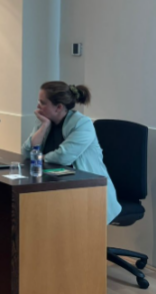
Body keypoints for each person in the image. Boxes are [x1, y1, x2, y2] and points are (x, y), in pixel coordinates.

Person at [22, 81, 121, 224]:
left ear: (58, 107)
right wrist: (44, 126)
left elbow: (63, 157)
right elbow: (26, 152)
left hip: (89, 193)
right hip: (56, 188)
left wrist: (39, 157)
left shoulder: (82, 124)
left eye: (42, 103)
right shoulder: (44, 121)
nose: (38, 106)